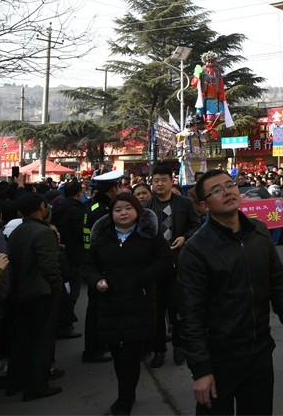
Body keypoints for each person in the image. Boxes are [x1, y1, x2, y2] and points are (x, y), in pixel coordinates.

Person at [177, 170, 283, 415]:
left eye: (230, 185)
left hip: (259, 352)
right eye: (216, 190)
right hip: (219, 358)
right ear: (204, 206)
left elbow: (276, 282)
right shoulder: (196, 250)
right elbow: (189, 314)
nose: (227, 192)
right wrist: (201, 370)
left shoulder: (259, 232)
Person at [84, 191, 173, 415]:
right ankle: (128, 391)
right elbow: (88, 266)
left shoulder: (149, 235)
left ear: (137, 211)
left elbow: (165, 261)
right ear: (111, 213)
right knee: (116, 352)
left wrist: (143, 277)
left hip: (140, 301)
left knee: (131, 356)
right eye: (117, 209)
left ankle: (124, 399)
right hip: (109, 303)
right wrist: (97, 280)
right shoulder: (102, 236)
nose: (123, 213)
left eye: (128, 208)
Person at [5, 192, 64, 402]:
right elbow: (50, 266)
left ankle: (15, 382)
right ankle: (36, 386)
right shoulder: (42, 232)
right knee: (41, 339)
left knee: (21, 338)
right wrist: (58, 288)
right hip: (40, 292)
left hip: (20, 292)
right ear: (41, 207)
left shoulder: (18, 231)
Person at [147, 164, 202, 368]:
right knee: (157, 310)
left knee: (178, 308)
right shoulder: (146, 207)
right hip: (155, 265)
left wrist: (184, 237)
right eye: (156, 180)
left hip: (179, 262)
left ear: (172, 181)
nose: (159, 184)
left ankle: (179, 346)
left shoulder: (185, 203)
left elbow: (197, 225)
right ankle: (159, 349)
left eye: (163, 180)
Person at [82, 170, 122, 364]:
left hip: (93, 262)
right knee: (98, 309)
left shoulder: (94, 205)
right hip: (99, 264)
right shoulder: (102, 211)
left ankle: (97, 346)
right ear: (113, 189)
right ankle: (94, 349)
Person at [51, 180, 86, 339]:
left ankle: (61, 322)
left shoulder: (56, 208)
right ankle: (65, 325)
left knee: (64, 290)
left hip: (59, 253)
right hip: (74, 255)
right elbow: (81, 234)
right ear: (79, 193)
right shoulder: (78, 210)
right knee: (73, 291)